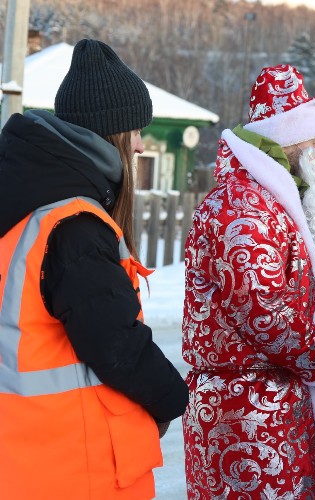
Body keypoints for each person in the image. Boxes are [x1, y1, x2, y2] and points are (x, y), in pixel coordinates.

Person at [0, 39, 188, 498]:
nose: (142, 147)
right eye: (135, 132)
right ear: (110, 135)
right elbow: (114, 343)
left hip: (26, 453)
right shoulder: (74, 223)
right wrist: (171, 396)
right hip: (72, 461)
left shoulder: (27, 198)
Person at [182, 64, 315, 500]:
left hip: (266, 402)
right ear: (291, 141)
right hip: (245, 414)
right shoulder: (244, 207)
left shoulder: (263, 198)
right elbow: (263, 314)